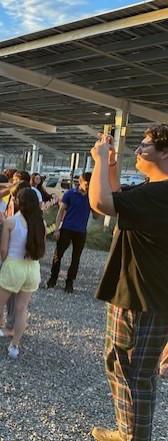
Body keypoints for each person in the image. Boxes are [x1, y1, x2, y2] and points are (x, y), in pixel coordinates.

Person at [89, 124, 168, 441]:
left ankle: (132, 437)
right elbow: (117, 196)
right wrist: (110, 165)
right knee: (134, 373)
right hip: (149, 297)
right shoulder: (155, 191)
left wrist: (98, 159)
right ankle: (128, 432)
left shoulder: (159, 193)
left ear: (165, 152)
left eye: (145, 145)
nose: (138, 150)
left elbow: (101, 204)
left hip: (140, 298)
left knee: (129, 372)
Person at [0, 188, 46, 359]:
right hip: (32, 268)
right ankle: (14, 347)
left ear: (18, 202)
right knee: (22, 309)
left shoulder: (11, 222)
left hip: (14, 265)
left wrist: (6, 262)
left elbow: (3, 250)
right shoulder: (39, 223)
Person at [46, 172, 93, 293]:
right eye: (87, 184)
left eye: (91, 184)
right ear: (80, 182)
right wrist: (56, 229)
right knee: (58, 255)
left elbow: (97, 215)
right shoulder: (69, 194)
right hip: (67, 228)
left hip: (81, 231)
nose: (88, 186)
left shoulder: (91, 197)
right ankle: (53, 279)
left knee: (75, 258)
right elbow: (60, 211)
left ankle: (69, 282)